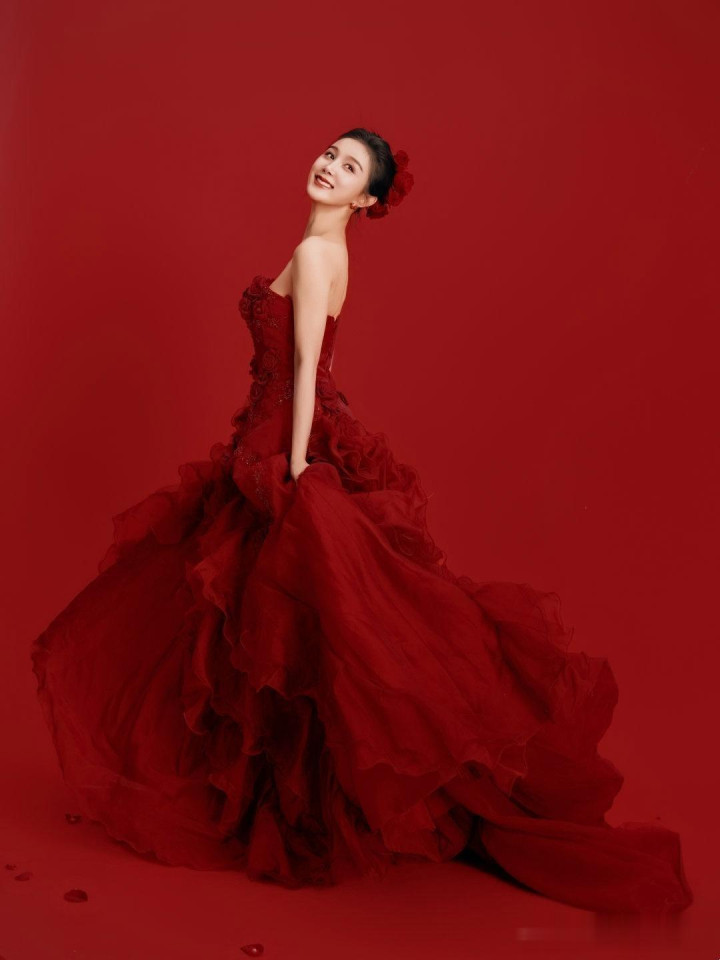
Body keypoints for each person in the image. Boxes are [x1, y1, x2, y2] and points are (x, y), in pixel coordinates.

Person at [31, 127, 693, 913]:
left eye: (349, 167)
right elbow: (319, 364)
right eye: (331, 153)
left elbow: (306, 367)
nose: (329, 166)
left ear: (367, 198)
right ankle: (278, 796)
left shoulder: (317, 254)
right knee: (273, 619)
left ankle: (285, 803)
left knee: (277, 618)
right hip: (272, 435)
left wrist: (296, 461)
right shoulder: (324, 249)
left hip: (281, 444)